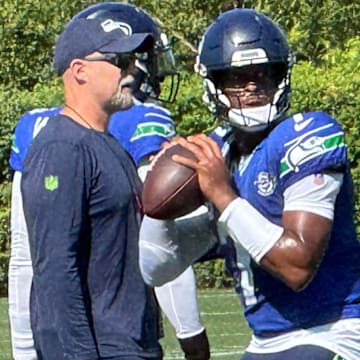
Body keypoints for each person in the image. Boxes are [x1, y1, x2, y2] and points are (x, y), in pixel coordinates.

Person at [139, 7, 360, 360]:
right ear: (215, 84)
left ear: (281, 77)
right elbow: (155, 268)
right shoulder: (218, 152)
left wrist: (223, 196)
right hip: (265, 342)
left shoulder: (308, 135)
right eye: (237, 78)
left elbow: (297, 265)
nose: (253, 87)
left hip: (332, 332)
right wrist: (156, 203)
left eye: (264, 74)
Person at [9, 3, 210, 359]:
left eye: (133, 60)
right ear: (79, 70)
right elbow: (56, 267)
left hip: (129, 343)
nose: (133, 70)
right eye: (120, 61)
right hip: (101, 348)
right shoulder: (61, 147)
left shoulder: (107, 144)